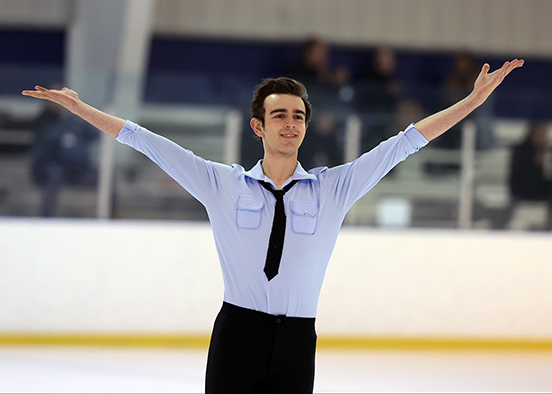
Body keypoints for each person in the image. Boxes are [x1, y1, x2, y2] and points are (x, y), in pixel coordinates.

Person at [22, 58, 523, 393]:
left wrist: (474, 103)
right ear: (258, 127)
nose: (291, 123)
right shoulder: (223, 184)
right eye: (278, 115)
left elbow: (407, 141)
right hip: (237, 334)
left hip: (297, 342)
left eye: (299, 116)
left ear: (306, 125)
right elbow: (145, 140)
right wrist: (80, 108)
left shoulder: (334, 188)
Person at [29, 87, 98, 217]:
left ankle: (112, 218)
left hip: (79, 169)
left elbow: (95, 135)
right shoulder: (45, 119)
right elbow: (48, 140)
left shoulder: (76, 121)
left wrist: (81, 119)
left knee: (104, 178)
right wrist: (64, 121)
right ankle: (45, 217)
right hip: (54, 168)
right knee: (54, 176)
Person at [507, 120, 552, 229]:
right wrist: (536, 162)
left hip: (542, 193)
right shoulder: (522, 151)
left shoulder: (546, 150)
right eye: (540, 133)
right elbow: (519, 177)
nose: (543, 137)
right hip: (524, 193)